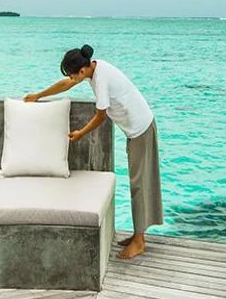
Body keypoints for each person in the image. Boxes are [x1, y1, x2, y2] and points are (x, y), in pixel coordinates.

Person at [23, 44, 162, 259]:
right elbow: (66, 84)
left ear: (82, 70)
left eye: (73, 75)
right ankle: (138, 235)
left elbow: (100, 116)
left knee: (139, 185)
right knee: (138, 183)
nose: (72, 78)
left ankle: (139, 241)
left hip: (141, 130)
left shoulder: (101, 80)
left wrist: (80, 133)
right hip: (136, 130)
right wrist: (39, 95)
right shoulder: (94, 68)